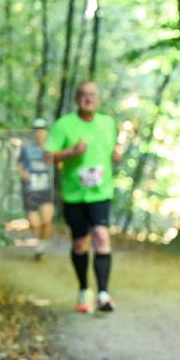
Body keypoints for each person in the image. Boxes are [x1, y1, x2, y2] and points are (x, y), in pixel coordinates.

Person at [44, 81, 123, 313]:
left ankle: (103, 294)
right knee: (80, 244)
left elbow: (110, 150)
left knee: (100, 235)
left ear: (98, 99)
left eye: (92, 95)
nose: (88, 99)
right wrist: (71, 152)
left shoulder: (108, 123)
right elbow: (47, 157)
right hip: (74, 195)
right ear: (76, 99)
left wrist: (116, 155)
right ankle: (83, 289)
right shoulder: (63, 125)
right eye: (83, 95)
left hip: (101, 193)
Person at [17, 118, 55, 260]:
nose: (39, 133)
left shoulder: (51, 148)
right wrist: (23, 173)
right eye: (37, 130)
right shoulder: (26, 148)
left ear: (46, 132)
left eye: (42, 130)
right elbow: (19, 165)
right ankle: (36, 237)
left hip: (45, 190)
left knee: (47, 221)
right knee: (34, 224)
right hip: (30, 191)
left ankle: (40, 248)